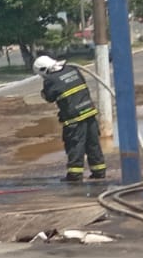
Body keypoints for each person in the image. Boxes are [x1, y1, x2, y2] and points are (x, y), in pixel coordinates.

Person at [33, 54, 106, 183]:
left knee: (75, 145)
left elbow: (49, 97)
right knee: (93, 143)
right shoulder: (72, 69)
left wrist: (43, 93)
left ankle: (75, 175)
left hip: (74, 118)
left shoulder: (50, 79)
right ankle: (99, 172)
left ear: (44, 70)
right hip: (89, 112)